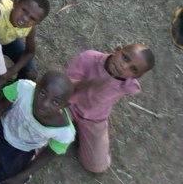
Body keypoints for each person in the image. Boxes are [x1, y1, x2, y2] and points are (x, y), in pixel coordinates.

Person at [0, 72, 76, 184]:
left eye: (55, 102)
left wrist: (21, 177)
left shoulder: (65, 132)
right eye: (42, 93)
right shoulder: (23, 87)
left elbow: (49, 154)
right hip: (2, 127)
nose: (45, 104)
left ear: (64, 106)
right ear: (37, 85)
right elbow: (1, 106)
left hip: (24, 149)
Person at [65, 43, 154, 174]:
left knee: (96, 166)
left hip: (94, 118)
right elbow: (62, 85)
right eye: (125, 58)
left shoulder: (129, 85)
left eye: (133, 69)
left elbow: (134, 88)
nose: (124, 66)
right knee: (40, 137)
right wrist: (88, 84)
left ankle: (82, 134)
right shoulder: (89, 58)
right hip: (68, 105)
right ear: (117, 50)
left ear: (135, 77)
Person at [0, 0, 50, 111]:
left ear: (36, 23)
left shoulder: (30, 29)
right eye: (24, 10)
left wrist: (9, 72)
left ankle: (9, 94)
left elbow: (30, 52)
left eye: (32, 19)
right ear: (15, 3)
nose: (25, 18)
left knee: (30, 73)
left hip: (5, 41)